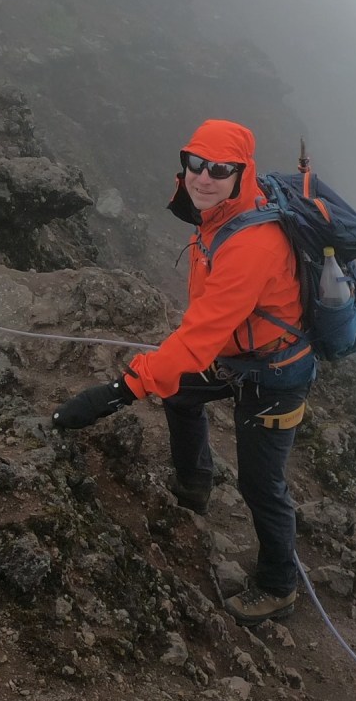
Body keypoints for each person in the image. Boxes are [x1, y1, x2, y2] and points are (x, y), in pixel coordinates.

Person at [50, 119, 315, 624]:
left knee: (262, 487)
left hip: (276, 372)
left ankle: (279, 586)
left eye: (220, 168)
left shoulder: (251, 244)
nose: (203, 176)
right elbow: (205, 328)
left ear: (243, 173)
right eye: (195, 163)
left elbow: (196, 340)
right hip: (235, 352)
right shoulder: (219, 214)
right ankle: (194, 487)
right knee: (180, 394)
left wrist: (117, 390)